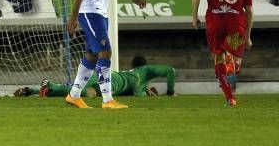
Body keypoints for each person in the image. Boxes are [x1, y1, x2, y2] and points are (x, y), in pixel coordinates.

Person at [191, 0, 253, 106]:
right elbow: (249, 11)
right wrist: (248, 37)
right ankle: (232, 63)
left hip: (214, 22)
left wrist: (194, 17)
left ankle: (230, 98)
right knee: (235, 64)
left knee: (218, 58)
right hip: (236, 23)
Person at [15, 56, 176, 98]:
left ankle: (33, 90)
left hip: (102, 75)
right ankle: (50, 86)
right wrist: (169, 92)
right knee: (86, 93)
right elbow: (170, 71)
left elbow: (134, 90)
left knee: (79, 92)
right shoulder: (141, 72)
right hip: (111, 82)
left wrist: (144, 91)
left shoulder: (132, 74)